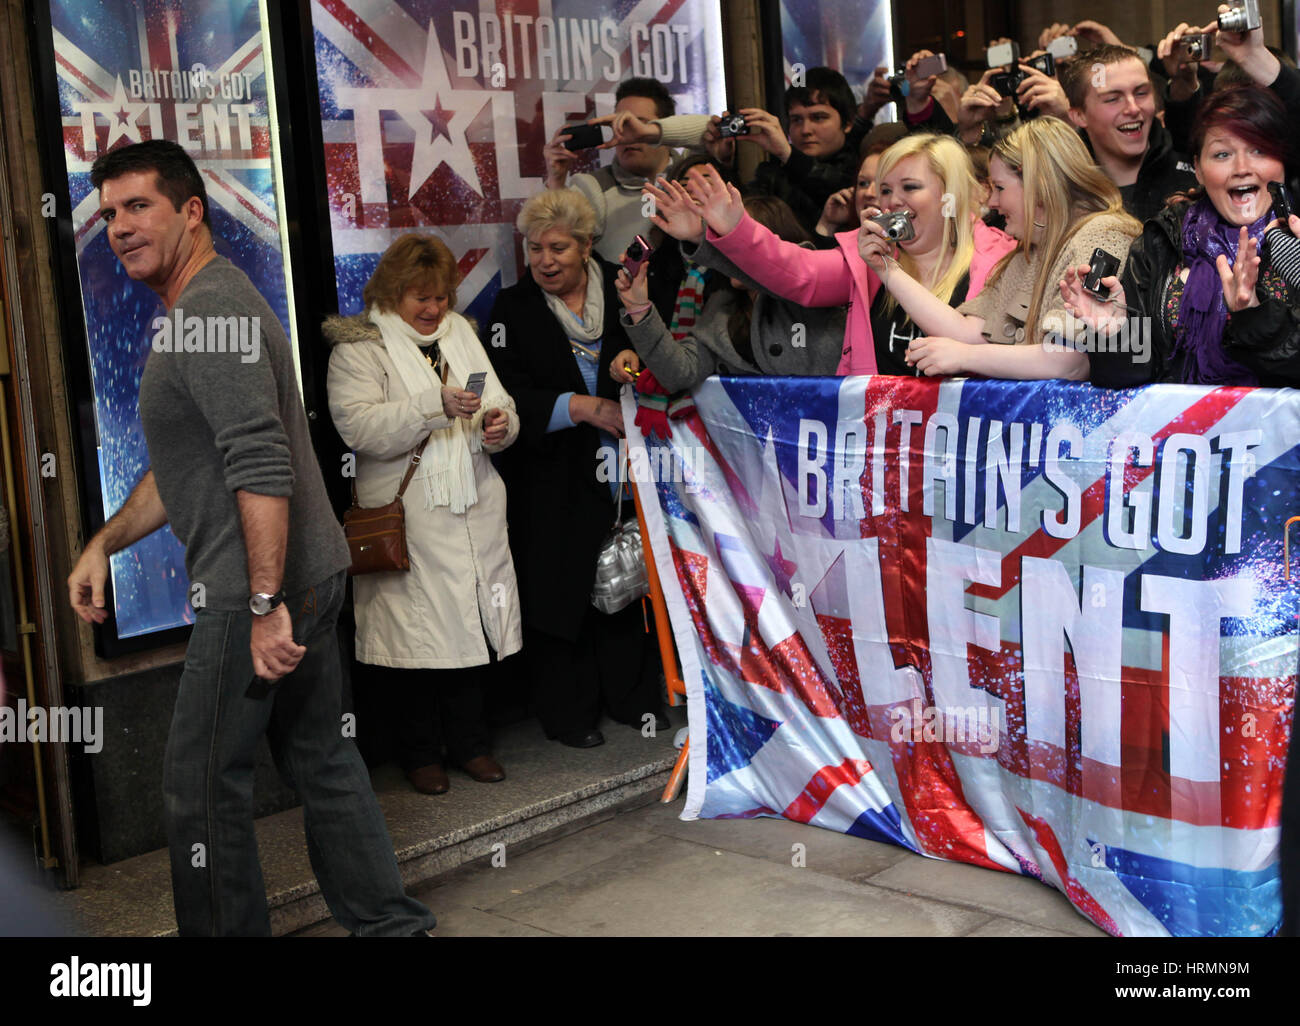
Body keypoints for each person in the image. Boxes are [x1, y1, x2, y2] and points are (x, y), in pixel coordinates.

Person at [66, 139, 435, 936]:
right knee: (324, 760)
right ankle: (392, 928)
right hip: (297, 574)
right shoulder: (202, 308)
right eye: (108, 215)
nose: (121, 227)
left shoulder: (210, 312)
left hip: (253, 589)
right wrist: (105, 542)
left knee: (200, 788)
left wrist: (264, 603)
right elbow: (181, 467)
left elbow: (260, 462)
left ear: (191, 211)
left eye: (139, 207)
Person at [324, 233, 521, 795]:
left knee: (468, 633)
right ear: (391, 294)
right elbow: (359, 429)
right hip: (410, 517)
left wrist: (500, 425)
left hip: (471, 507)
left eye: (440, 297)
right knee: (415, 641)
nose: (433, 309)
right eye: (419, 298)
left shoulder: (461, 333)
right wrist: (433, 404)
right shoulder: (359, 348)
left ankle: (471, 745)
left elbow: (499, 399)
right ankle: (419, 755)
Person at [484, 188, 665, 748]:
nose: (544, 260)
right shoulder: (511, 309)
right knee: (559, 587)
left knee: (625, 578)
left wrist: (637, 363)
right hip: (548, 470)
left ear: (587, 244)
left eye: (558, 248)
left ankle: (634, 699)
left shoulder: (623, 284)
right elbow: (506, 391)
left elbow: (664, 348)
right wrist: (581, 407)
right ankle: (569, 715)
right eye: (534, 248)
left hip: (622, 467)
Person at [648, 133, 1016, 376]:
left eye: (910, 187)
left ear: (949, 195)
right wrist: (732, 227)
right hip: (884, 447)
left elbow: (997, 349)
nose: (891, 201)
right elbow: (795, 271)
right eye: (885, 189)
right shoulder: (868, 253)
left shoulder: (1001, 258)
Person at [857, 117, 1141, 380]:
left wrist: (964, 357)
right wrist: (887, 268)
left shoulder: (1103, 235)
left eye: (1000, 188)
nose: (991, 202)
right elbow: (968, 332)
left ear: (1038, 186)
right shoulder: (1028, 254)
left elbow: (1069, 362)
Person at [1063, 85, 1300, 388]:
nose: (1242, 168)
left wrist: (1253, 317)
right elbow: (1126, 380)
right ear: (1198, 169)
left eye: (1259, 150)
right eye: (1223, 154)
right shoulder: (1163, 239)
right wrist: (1115, 333)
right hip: (1181, 433)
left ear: (1282, 163)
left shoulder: (1294, 242)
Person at [610, 194, 845, 389]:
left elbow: (785, 274)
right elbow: (679, 373)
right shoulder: (722, 307)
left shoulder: (809, 289)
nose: (725, 249)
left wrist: (696, 237)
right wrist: (639, 308)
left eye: (734, 242)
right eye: (720, 239)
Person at [543, 77, 709, 262]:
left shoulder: (694, 174)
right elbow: (550, 253)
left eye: (638, 124)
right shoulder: (592, 188)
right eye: (621, 125)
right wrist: (556, 183)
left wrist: (651, 133)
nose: (628, 136)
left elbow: (713, 129)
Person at [1057, 43, 1196, 222]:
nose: (1132, 108)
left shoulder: (1194, 172)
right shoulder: (1065, 194)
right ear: (1079, 115)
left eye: (1141, 93)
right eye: (1113, 99)